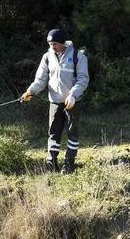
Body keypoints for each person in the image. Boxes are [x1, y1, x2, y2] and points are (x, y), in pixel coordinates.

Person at [20, 28, 90, 174]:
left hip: (72, 102)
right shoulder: (47, 57)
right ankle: (51, 164)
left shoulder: (78, 57)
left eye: (55, 44)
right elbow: (41, 79)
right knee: (53, 133)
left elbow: (83, 79)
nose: (53, 47)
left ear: (63, 43)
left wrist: (73, 95)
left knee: (72, 133)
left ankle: (69, 164)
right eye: (50, 44)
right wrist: (31, 91)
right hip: (55, 101)